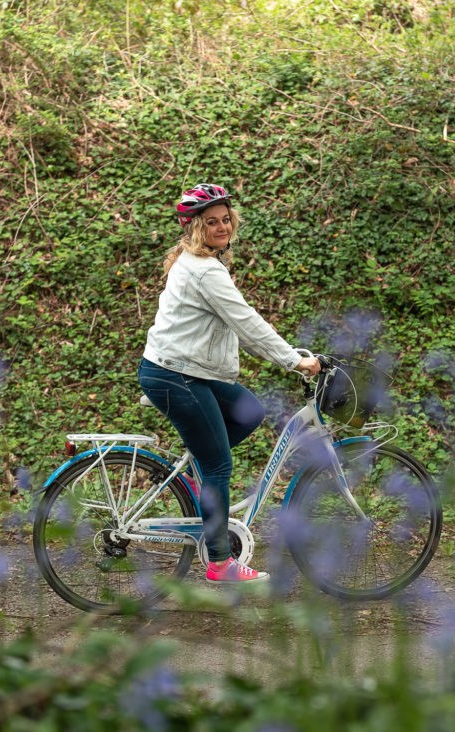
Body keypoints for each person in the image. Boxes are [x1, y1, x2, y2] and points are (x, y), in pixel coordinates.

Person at [138, 183, 320, 584]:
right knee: (219, 463)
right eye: (211, 222)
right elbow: (248, 323)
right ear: (195, 229)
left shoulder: (197, 263)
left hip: (184, 370)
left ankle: (193, 478)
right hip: (176, 374)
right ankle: (221, 562)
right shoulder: (204, 271)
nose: (222, 227)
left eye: (225, 220)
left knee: (249, 411)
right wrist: (295, 361)